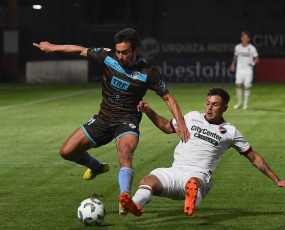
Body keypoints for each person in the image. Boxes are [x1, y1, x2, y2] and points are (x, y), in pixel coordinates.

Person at [33, 28, 190, 215]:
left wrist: (180, 121)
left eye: (125, 52)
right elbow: (80, 50)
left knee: (125, 154)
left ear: (136, 50)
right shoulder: (108, 57)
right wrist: (52, 47)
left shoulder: (148, 72)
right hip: (103, 118)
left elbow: (168, 98)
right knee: (66, 152)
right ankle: (96, 167)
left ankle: (124, 199)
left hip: (127, 122)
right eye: (118, 52)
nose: (121, 56)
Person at [119, 87, 285, 217]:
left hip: (198, 174)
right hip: (175, 170)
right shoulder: (191, 117)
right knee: (148, 181)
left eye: (214, 105)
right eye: (207, 103)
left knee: (194, 184)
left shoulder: (230, 132)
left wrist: (276, 179)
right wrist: (148, 110)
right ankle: (134, 205)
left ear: (224, 108)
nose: (209, 108)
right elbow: (167, 127)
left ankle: (191, 200)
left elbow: (253, 157)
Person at [230, 31, 260, 110]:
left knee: (247, 87)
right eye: (243, 37)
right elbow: (235, 57)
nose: (244, 39)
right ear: (241, 38)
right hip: (240, 69)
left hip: (248, 70)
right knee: (238, 85)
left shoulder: (252, 48)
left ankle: (245, 104)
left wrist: (253, 63)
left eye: (246, 37)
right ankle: (239, 102)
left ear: (249, 39)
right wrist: (233, 64)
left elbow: (257, 59)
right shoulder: (238, 47)